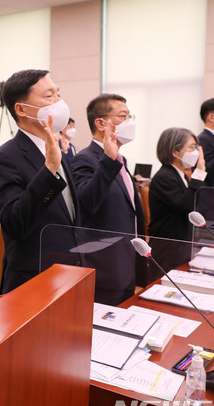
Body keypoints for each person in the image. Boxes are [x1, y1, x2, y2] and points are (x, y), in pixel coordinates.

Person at [0, 69, 79, 294]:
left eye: (58, 94)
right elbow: (14, 223)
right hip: (35, 277)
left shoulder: (59, 149)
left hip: (70, 270)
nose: (58, 101)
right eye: (49, 97)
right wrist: (49, 170)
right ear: (21, 109)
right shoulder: (5, 157)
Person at [71, 93, 145, 305]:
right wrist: (109, 160)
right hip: (104, 263)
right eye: (123, 116)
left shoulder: (121, 158)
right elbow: (86, 203)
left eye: (130, 116)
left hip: (127, 258)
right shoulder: (85, 158)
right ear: (101, 123)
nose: (129, 123)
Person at [149, 128, 207, 241]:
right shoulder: (164, 177)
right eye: (192, 147)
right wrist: (199, 174)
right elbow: (186, 205)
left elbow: (196, 202)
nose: (196, 152)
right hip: (168, 244)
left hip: (182, 240)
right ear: (175, 152)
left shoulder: (181, 174)